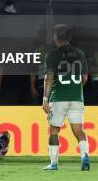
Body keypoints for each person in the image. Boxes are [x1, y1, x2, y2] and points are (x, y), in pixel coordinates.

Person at [42, 24, 91, 171]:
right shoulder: (80, 53)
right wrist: (74, 88)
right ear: (69, 38)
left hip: (59, 98)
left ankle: (54, 163)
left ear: (55, 37)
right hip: (77, 97)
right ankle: (85, 156)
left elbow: (49, 78)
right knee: (79, 131)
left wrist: (45, 99)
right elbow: (84, 78)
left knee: (54, 130)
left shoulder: (52, 55)